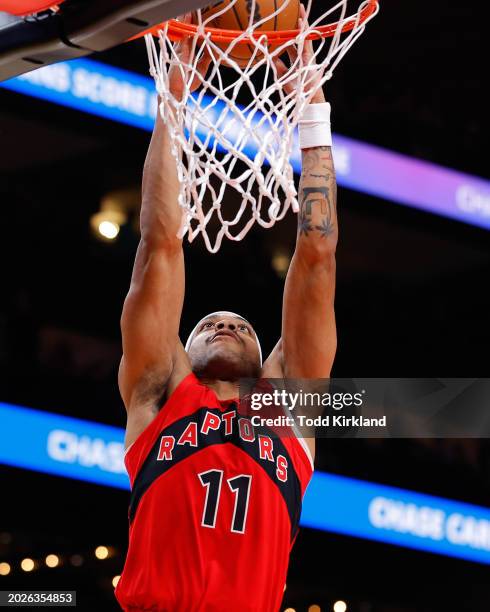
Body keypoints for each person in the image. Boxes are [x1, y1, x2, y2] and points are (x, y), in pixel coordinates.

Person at [115, 7, 337, 611]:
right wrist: (173, 105)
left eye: (240, 325)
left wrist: (312, 113)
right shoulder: (157, 392)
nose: (227, 324)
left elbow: (318, 252)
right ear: (180, 352)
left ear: (269, 358)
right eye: (211, 324)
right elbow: (160, 240)